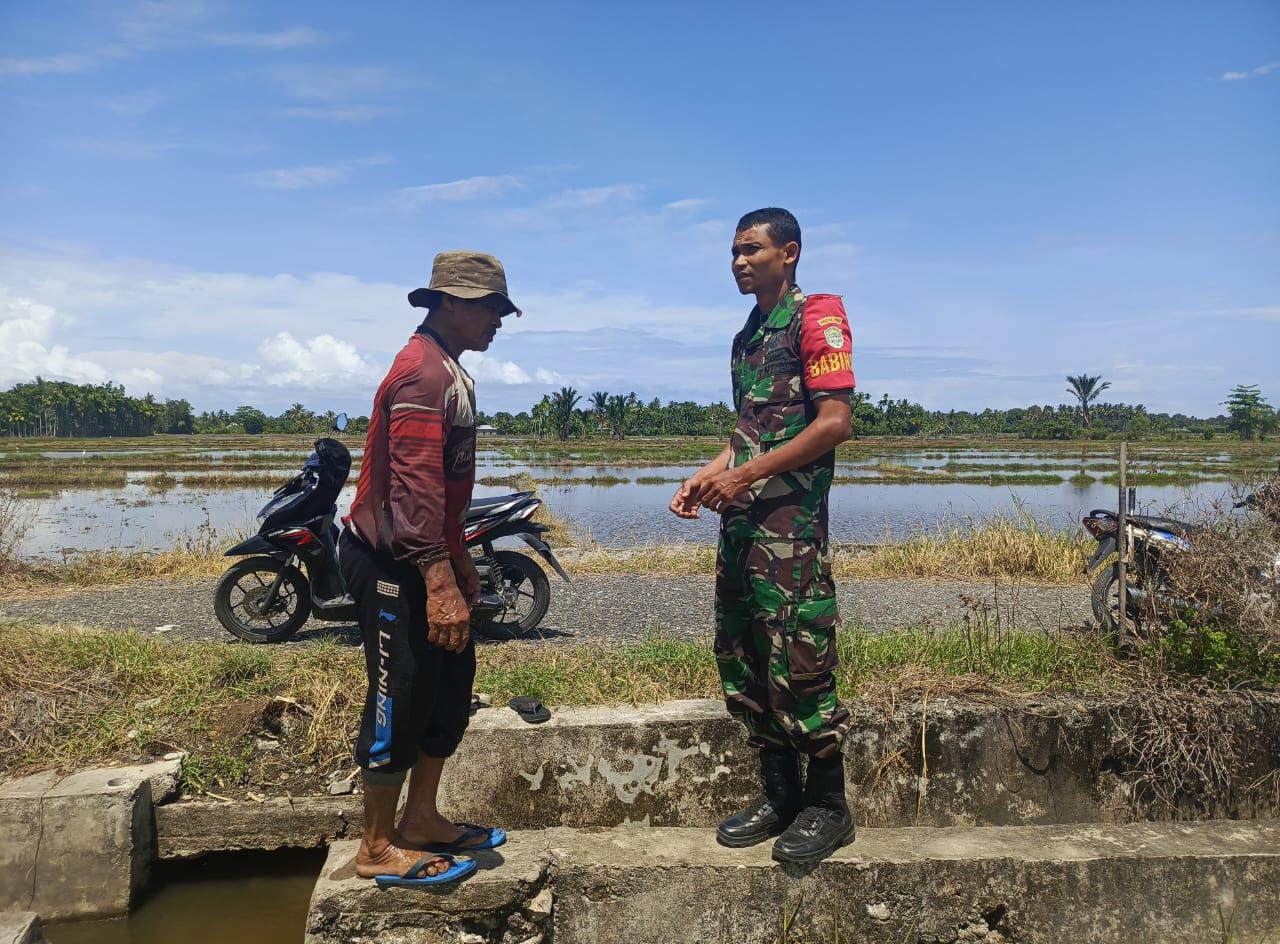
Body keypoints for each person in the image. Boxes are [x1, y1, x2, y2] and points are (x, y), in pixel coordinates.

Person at [669, 208, 856, 864]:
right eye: (734, 253)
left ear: (791, 252)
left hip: (791, 533)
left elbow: (833, 424)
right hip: (743, 527)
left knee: (799, 660)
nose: (739, 262)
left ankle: (828, 806)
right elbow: (747, 433)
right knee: (745, 654)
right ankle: (779, 794)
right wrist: (706, 476)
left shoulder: (818, 317)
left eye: (752, 251)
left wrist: (746, 473)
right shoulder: (748, 335)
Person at [341, 250, 520, 885]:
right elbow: (414, 487)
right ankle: (377, 846)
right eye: (488, 307)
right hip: (393, 562)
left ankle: (420, 818)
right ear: (448, 303)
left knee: (449, 682)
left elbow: (443, 491)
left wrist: (460, 557)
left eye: (500, 308)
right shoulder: (422, 374)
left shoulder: (449, 369)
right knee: (402, 690)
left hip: (426, 556)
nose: (497, 320)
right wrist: (437, 578)